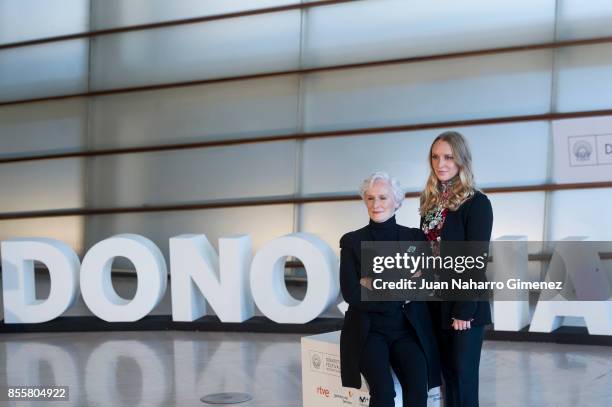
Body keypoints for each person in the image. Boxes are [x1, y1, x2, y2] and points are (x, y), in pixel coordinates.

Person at [340, 171, 441, 407]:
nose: (376, 204)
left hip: (405, 331)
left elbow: (423, 282)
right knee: (384, 394)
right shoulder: (352, 241)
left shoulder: (414, 237)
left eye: (383, 198)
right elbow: (352, 293)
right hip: (368, 333)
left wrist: (373, 283)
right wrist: (399, 289)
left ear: (396, 201)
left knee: (418, 390)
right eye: (371, 198)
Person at [419, 131, 493, 407]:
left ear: (461, 160)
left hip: (464, 306)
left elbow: (475, 259)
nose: (441, 163)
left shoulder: (476, 203)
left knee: (462, 379)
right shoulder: (430, 204)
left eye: (449, 157)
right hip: (434, 302)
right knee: (445, 377)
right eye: (436, 157)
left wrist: (463, 308)